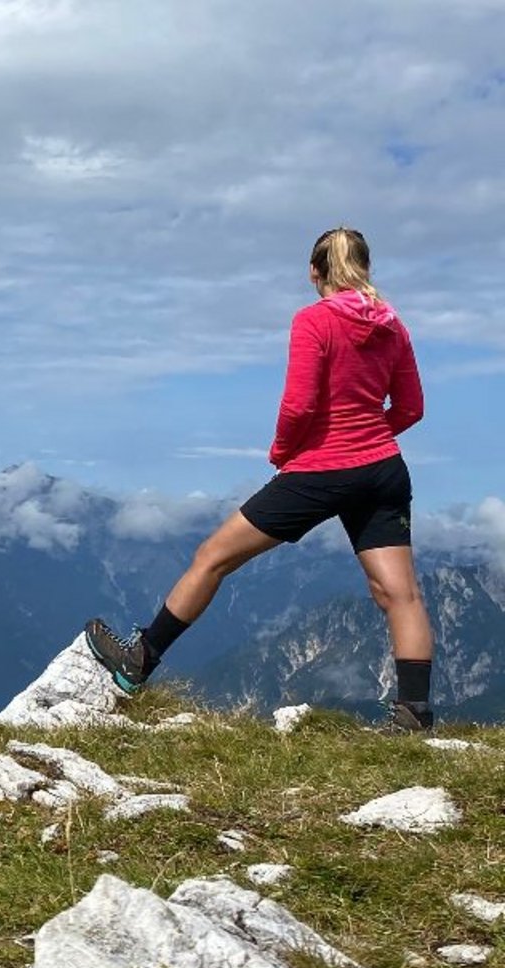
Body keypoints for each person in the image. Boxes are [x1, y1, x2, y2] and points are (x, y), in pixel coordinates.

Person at [85, 227, 434, 731]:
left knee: (212, 558)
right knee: (400, 594)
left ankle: (139, 660)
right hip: (383, 470)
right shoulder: (394, 326)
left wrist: (284, 452)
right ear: (365, 268)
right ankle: (414, 716)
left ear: (314, 274)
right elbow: (411, 407)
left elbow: (299, 404)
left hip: (319, 468)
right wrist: (372, 435)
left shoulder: (313, 320)